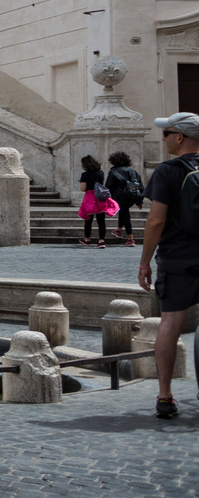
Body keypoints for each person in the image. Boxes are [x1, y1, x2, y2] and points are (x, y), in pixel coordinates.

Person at [138, 112, 199, 419]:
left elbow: (156, 220)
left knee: (171, 324)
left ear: (179, 138)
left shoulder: (168, 171)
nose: (162, 139)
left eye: (166, 134)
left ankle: (164, 396)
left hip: (177, 258)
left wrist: (144, 262)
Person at [77, 154, 118, 248]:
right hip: (100, 197)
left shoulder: (85, 175)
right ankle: (101, 241)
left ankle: (87, 239)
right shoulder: (101, 173)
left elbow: (83, 188)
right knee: (101, 220)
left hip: (90, 197)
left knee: (88, 219)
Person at [106, 150, 144, 245]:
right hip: (132, 196)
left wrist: (109, 197)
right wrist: (140, 201)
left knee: (125, 214)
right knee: (123, 211)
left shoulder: (113, 171)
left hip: (119, 196)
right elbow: (140, 186)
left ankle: (130, 238)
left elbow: (108, 185)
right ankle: (119, 230)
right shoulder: (133, 171)